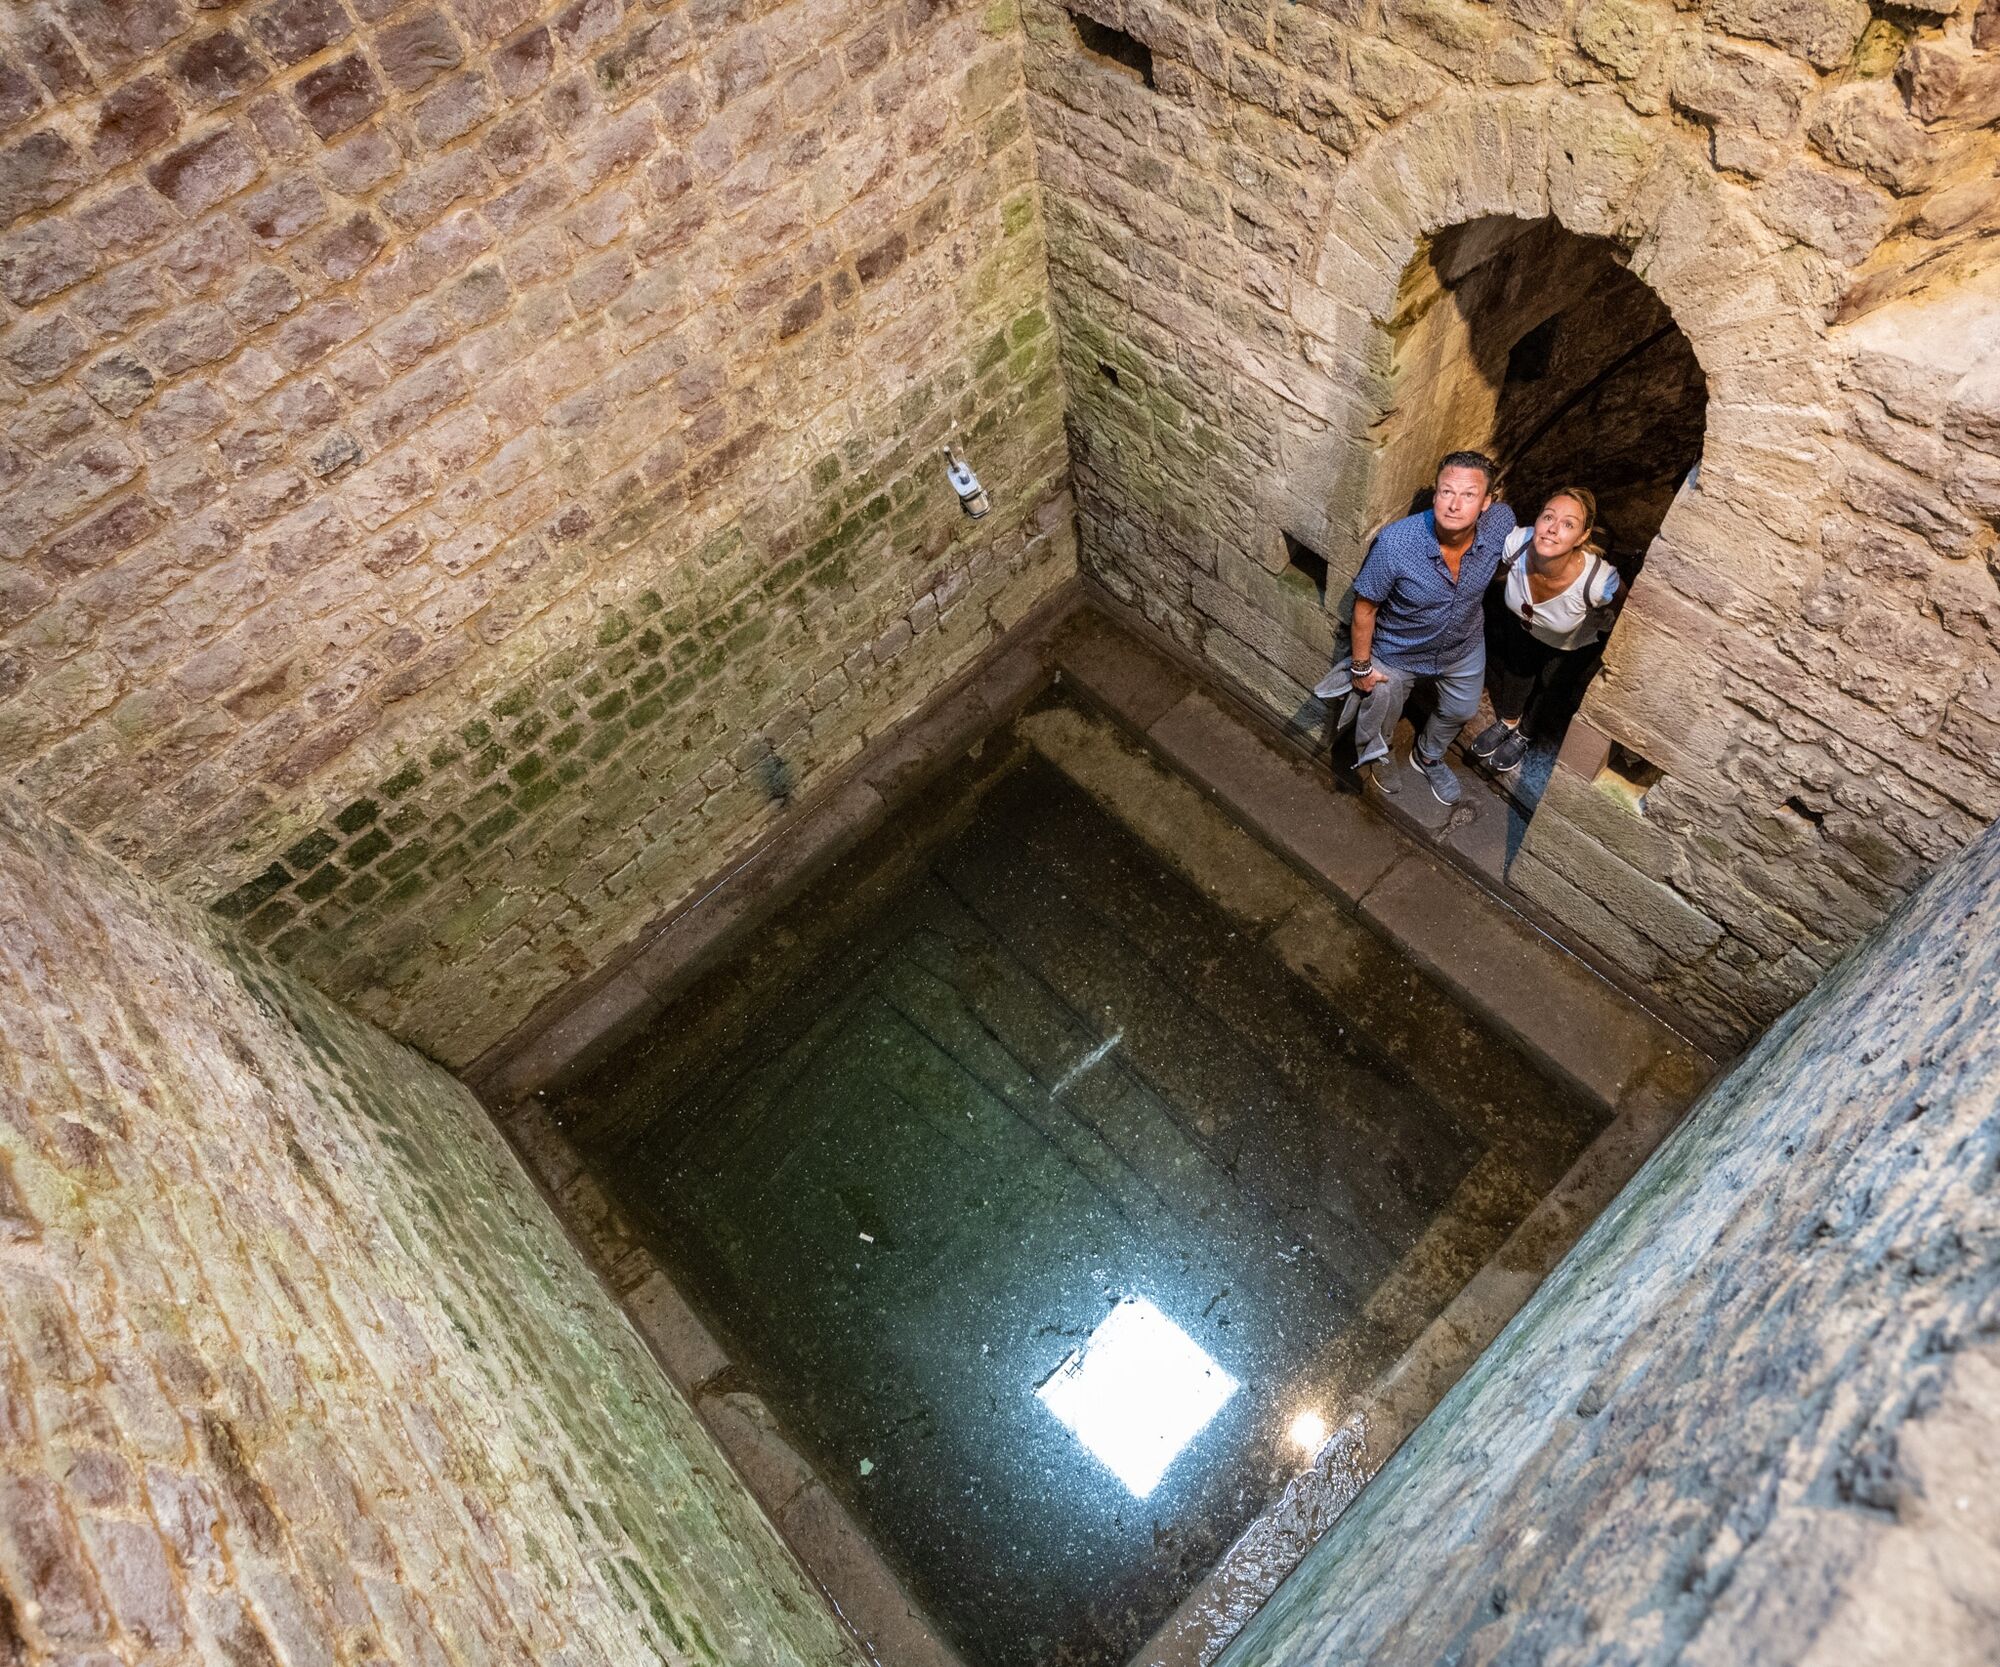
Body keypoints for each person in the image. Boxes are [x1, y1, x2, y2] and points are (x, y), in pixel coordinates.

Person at [1314, 451, 1517, 806]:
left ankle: (1428, 755)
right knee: (1380, 712)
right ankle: (1379, 754)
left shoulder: (1501, 523)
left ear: (1486, 502)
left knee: (1461, 710)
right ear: (1436, 493)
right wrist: (1361, 668)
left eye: (1468, 495)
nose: (1454, 504)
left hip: (1462, 644)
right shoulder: (1395, 544)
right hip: (1398, 652)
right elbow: (1365, 608)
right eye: (1446, 491)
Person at [1466, 486, 1621, 777]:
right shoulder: (1518, 544)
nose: (1552, 528)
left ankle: (1526, 733)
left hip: (1571, 643)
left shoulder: (1597, 582)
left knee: (1551, 685)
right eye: (1548, 517)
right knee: (1518, 668)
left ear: (1583, 536)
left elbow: (1624, 602)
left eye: (1568, 524)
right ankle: (1508, 721)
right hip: (1525, 625)